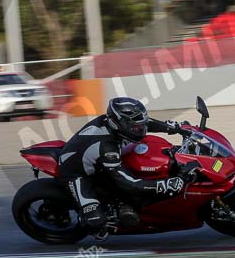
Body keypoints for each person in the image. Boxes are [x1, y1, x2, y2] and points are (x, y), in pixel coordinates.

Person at [57, 97, 197, 234]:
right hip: (76, 173)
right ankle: (89, 219)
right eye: (135, 127)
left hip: (99, 161)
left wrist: (175, 128)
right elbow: (129, 183)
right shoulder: (107, 148)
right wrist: (164, 185)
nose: (140, 129)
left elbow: (145, 123)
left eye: (140, 126)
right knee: (96, 221)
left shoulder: (115, 123)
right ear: (119, 124)